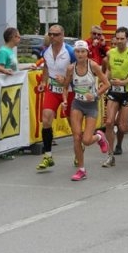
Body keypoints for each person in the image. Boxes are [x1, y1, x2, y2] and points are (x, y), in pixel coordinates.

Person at [62, 40, 111, 181]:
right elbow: (65, 87)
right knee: (77, 137)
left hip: (91, 105)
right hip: (77, 104)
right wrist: (65, 100)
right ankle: (81, 169)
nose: (80, 54)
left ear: (87, 52)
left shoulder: (93, 66)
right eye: (77, 52)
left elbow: (106, 84)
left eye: (83, 51)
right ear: (75, 53)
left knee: (87, 140)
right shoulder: (71, 68)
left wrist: (95, 94)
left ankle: (99, 137)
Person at [35, 24, 76, 171]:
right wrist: (43, 82)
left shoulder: (70, 52)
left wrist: (65, 80)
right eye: (50, 34)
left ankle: (79, 151)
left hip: (69, 91)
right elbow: (46, 67)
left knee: (73, 124)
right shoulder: (46, 51)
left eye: (56, 34)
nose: (52, 37)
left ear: (63, 35)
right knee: (46, 119)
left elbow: (80, 71)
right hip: (52, 90)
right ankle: (48, 156)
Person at [102, 26, 128, 168]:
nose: (119, 41)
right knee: (109, 122)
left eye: (122, 39)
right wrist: (106, 80)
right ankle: (110, 155)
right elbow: (108, 70)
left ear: (127, 39)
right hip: (113, 91)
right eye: (117, 38)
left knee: (122, 126)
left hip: (127, 92)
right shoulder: (110, 53)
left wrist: (123, 82)